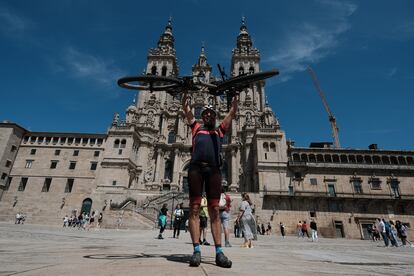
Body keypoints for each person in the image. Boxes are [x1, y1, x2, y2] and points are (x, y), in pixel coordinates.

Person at [182, 92, 238, 268]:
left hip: (213, 171)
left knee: (214, 210)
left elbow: (231, 114)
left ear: (215, 117)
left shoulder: (220, 131)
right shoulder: (196, 128)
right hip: (195, 169)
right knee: (194, 208)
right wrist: (185, 102)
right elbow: (188, 112)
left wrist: (234, 104)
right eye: (205, 113)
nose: (208, 115)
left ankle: (219, 252)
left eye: (211, 114)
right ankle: (196, 250)